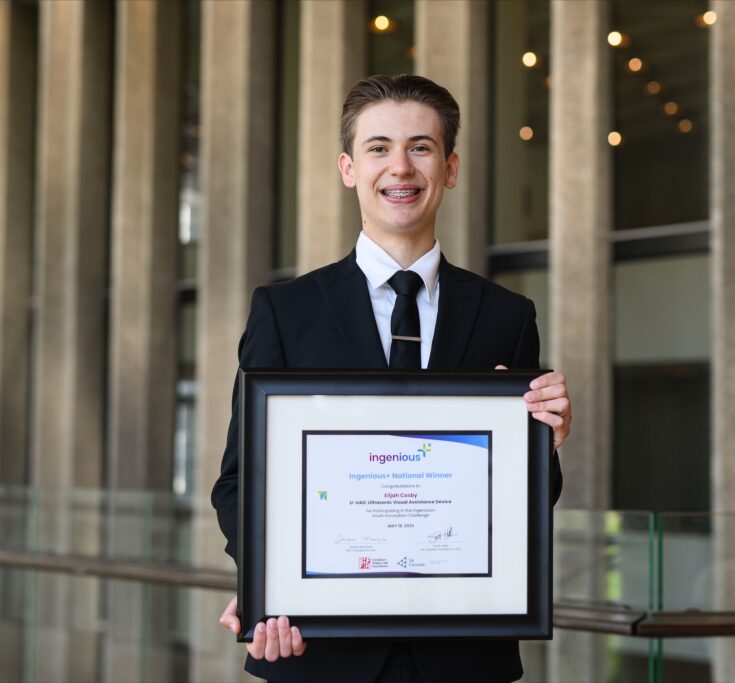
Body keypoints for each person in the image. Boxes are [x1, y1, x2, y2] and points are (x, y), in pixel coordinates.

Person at [211, 74, 572, 683]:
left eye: (421, 148)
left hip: (462, 653)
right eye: (379, 147)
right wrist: (267, 580)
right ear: (349, 168)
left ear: (450, 168)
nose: (399, 168)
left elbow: (524, 505)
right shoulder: (285, 311)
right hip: (318, 648)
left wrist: (544, 449)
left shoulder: (508, 316)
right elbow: (239, 480)